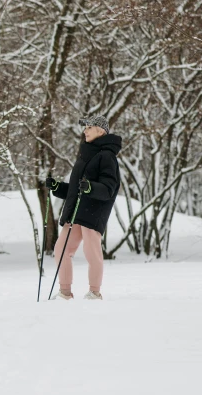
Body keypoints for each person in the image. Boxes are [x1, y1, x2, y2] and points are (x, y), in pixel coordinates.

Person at [45, 115, 122, 300]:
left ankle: (95, 292)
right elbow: (75, 190)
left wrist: (90, 188)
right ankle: (65, 292)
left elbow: (109, 189)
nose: (85, 130)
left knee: (91, 251)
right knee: (61, 249)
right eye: (85, 127)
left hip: (93, 212)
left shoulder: (107, 157)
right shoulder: (85, 155)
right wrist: (58, 187)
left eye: (89, 127)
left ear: (101, 131)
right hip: (76, 212)